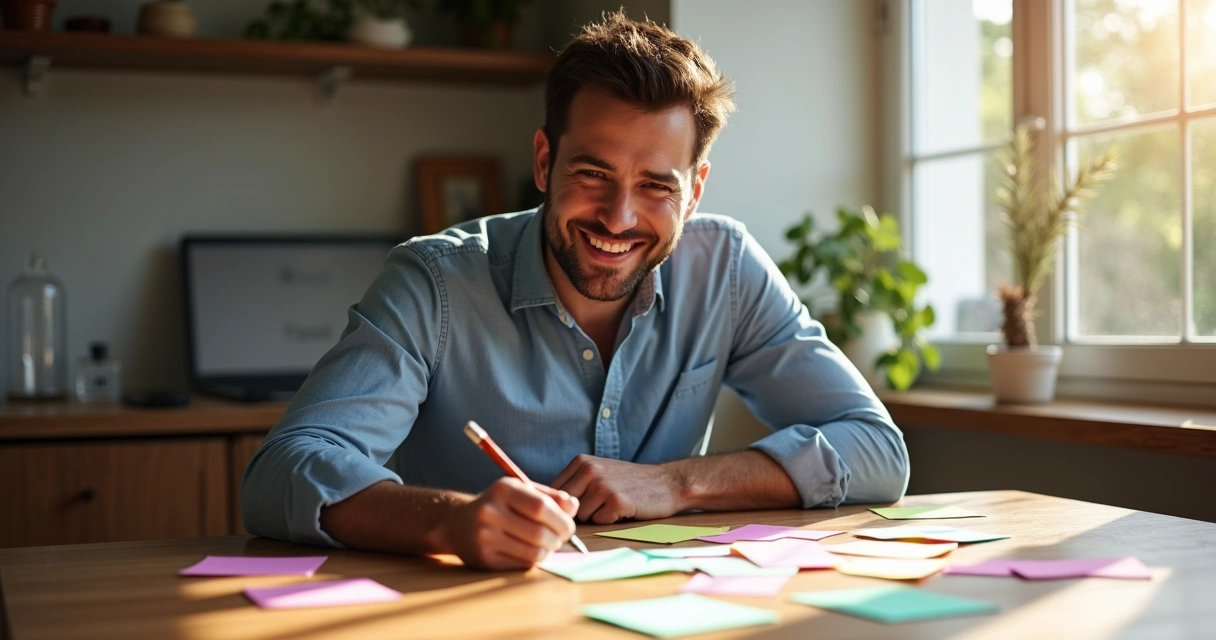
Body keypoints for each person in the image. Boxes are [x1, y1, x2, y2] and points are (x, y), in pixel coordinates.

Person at [242, 11, 909, 571]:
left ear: (695, 191)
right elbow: (282, 473)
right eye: (592, 174)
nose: (618, 219)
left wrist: (675, 484)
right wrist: (450, 523)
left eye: (656, 186)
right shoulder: (435, 281)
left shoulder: (726, 268)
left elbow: (878, 452)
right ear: (543, 161)